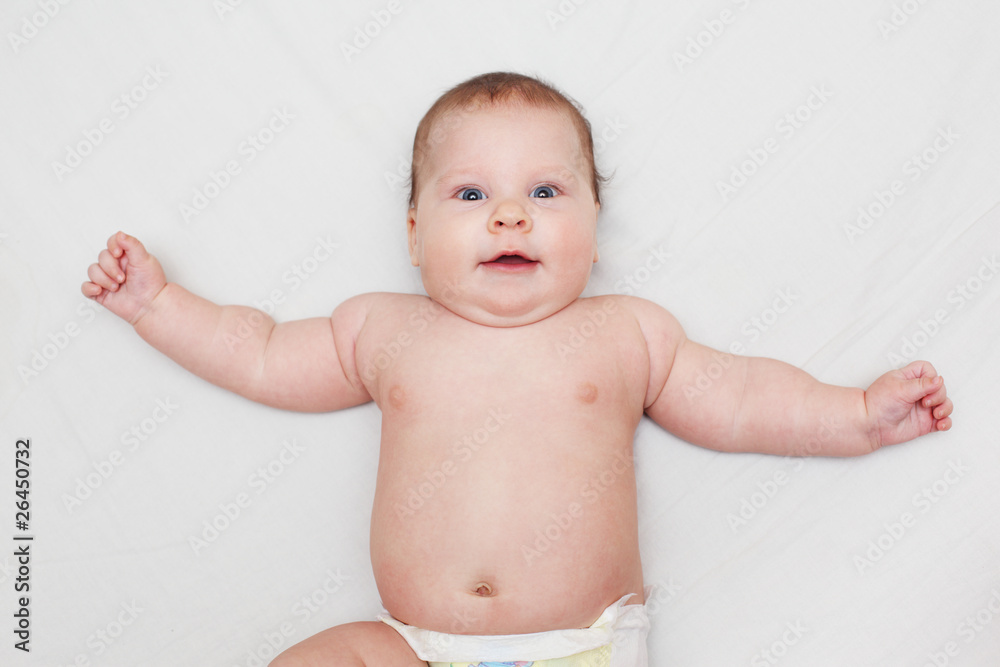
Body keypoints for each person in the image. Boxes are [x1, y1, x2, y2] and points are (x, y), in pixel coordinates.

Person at [82, 72, 953, 667]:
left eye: (545, 192)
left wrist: (856, 416)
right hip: (417, 646)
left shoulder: (625, 334)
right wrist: (159, 307)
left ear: (595, 225)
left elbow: (744, 398)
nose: (508, 216)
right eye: (470, 194)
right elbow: (262, 352)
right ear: (415, 233)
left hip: (582, 647)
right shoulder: (383, 329)